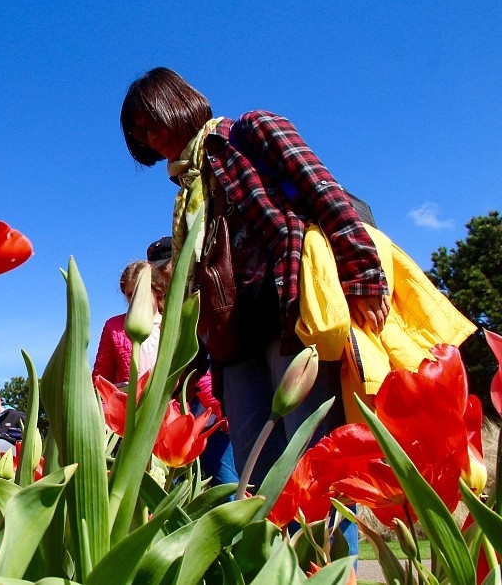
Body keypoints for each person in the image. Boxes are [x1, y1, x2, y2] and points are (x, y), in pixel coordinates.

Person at [120, 67, 389, 550]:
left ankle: (326, 576)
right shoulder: (186, 196)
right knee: (255, 481)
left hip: (290, 317)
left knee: (315, 470)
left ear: (177, 101)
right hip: (234, 344)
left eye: (149, 118)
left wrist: (363, 272)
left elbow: (323, 192)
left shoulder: (250, 133)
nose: (147, 133)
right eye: (136, 130)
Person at [92, 260, 170, 386]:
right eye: (129, 295)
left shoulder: (173, 326)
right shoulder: (113, 327)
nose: (135, 299)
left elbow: (198, 376)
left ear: (157, 291)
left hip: (168, 404)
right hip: (126, 403)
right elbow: (101, 376)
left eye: (140, 293)